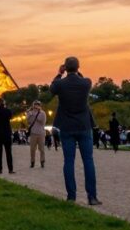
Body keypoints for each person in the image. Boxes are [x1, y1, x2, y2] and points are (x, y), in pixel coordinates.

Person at [50, 56, 101, 205]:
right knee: (88, 161)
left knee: (69, 162)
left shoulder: (60, 84)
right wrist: (77, 73)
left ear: (65, 67)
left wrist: (59, 73)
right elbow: (82, 79)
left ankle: (71, 196)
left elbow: (52, 88)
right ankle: (92, 197)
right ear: (78, 67)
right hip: (84, 126)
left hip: (67, 127)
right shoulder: (86, 83)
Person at [25, 100, 47, 168]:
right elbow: (28, 121)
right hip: (33, 133)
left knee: (42, 149)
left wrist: (34, 114)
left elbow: (42, 121)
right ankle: (32, 162)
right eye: (35, 104)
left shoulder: (42, 113)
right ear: (33, 105)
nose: (36, 106)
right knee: (32, 149)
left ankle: (42, 161)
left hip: (41, 133)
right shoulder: (31, 113)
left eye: (37, 104)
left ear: (40, 105)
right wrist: (28, 114)